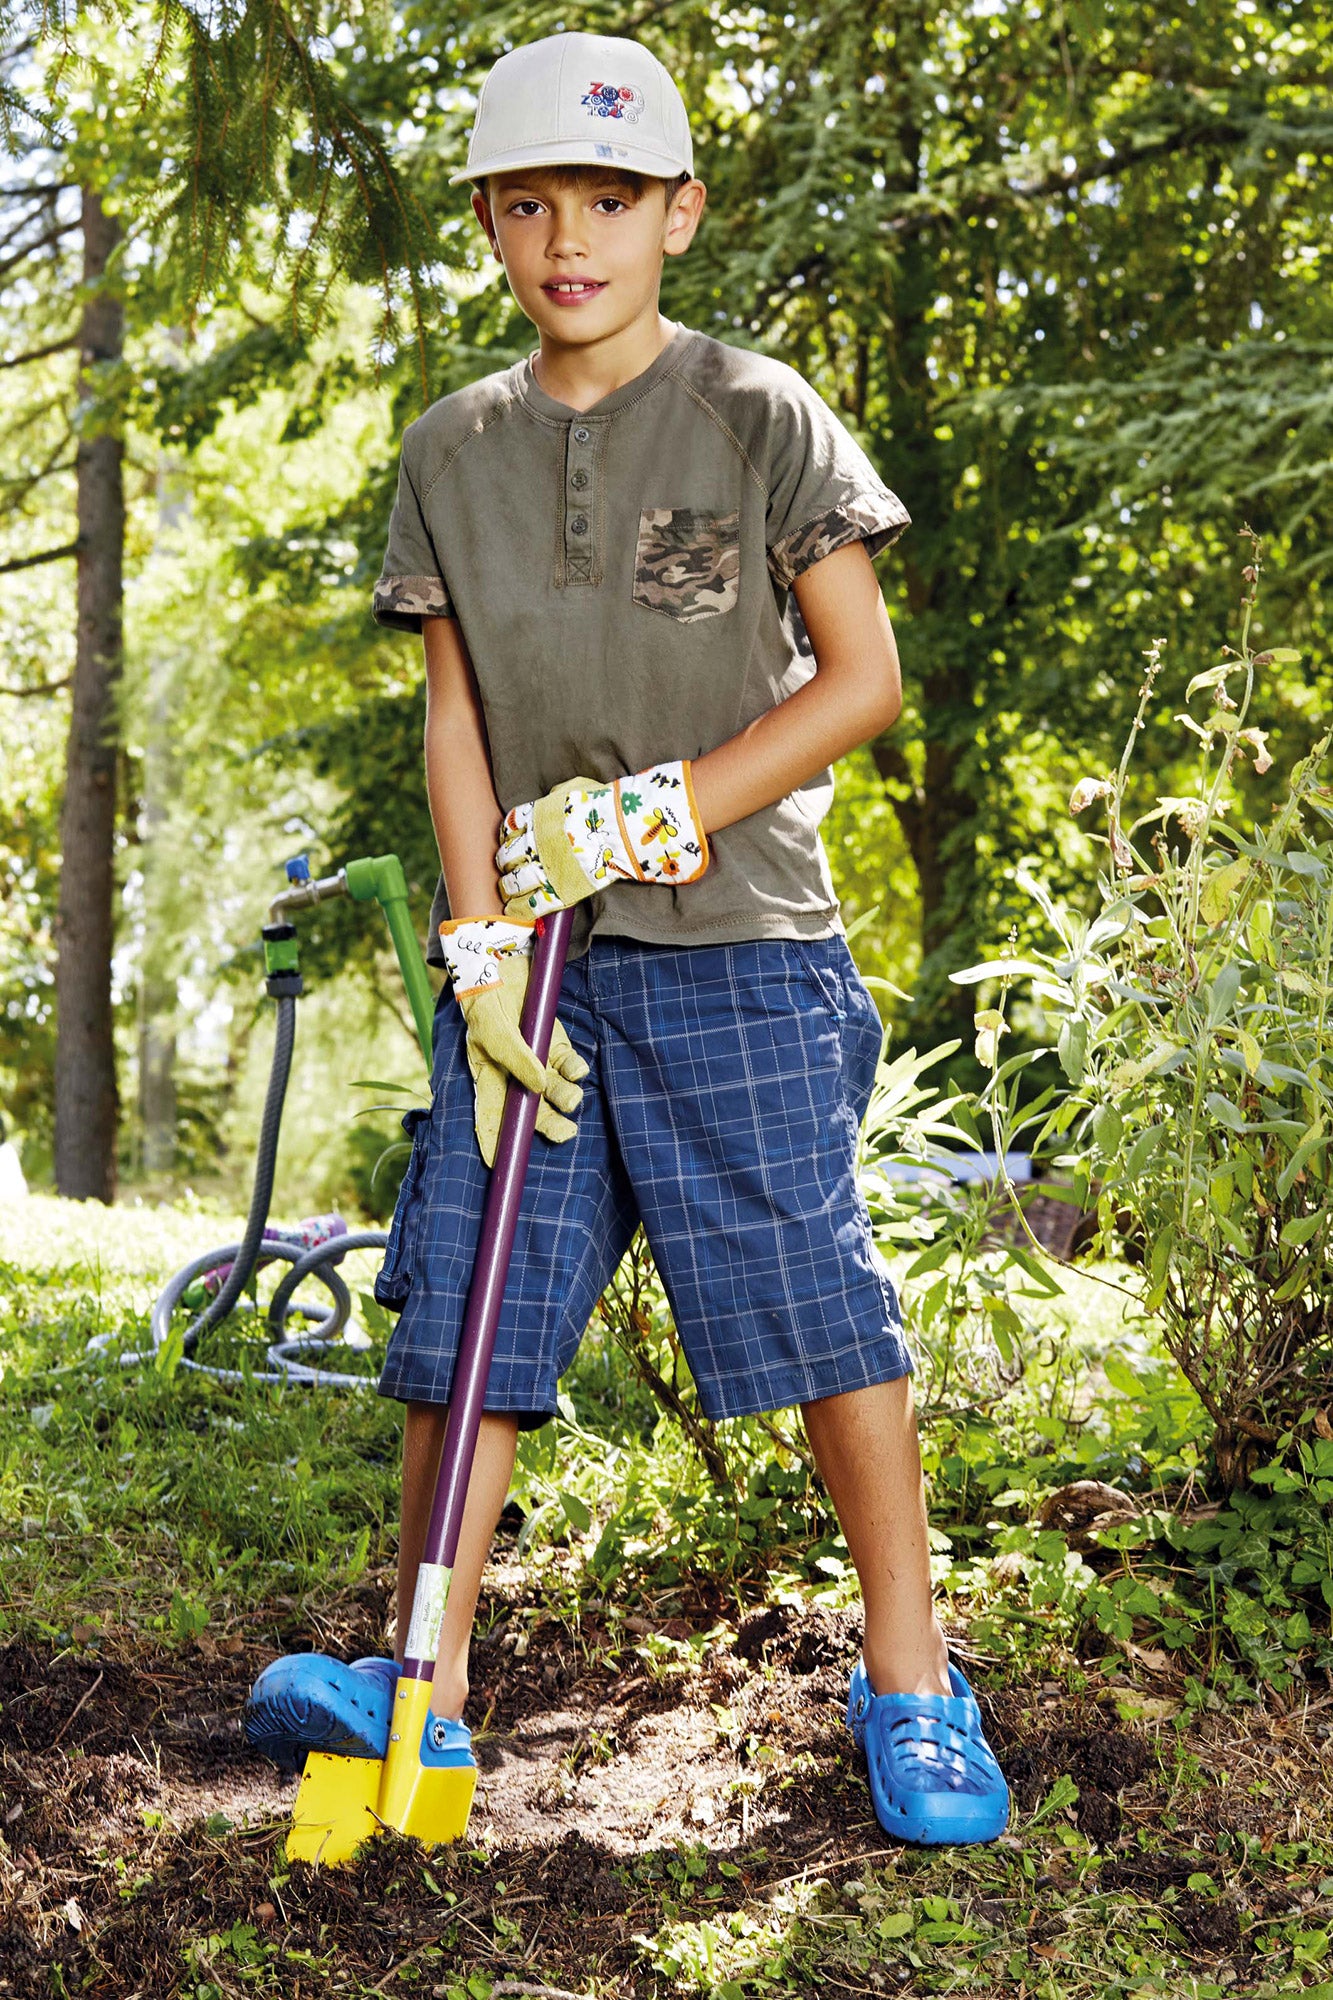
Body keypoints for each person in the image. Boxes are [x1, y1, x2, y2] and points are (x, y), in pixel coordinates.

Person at [248, 28, 1008, 1846]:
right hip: (535, 960)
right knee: (469, 1305)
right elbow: (455, 718)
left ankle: (910, 1682)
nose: (564, 237)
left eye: (604, 198)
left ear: (675, 209)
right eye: (525, 204)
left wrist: (655, 811)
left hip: (737, 942)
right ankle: (415, 1679)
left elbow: (865, 679)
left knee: (819, 1315)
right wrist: (475, 939)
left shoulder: (756, 415)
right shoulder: (454, 447)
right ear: (492, 229)